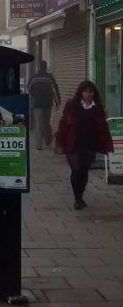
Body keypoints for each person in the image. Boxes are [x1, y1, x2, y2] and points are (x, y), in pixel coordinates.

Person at [54, 80, 114, 210]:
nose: (88, 94)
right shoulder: (72, 105)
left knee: (84, 171)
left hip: (89, 144)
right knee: (76, 170)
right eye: (86, 91)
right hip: (73, 143)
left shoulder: (96, 107)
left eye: (91, 91)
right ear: (81, 93)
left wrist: (107, 144)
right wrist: (59, 142)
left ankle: (80, 196)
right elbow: (63, 123)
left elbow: (103, 128)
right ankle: (77, 199)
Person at [27, 60, 62, 150]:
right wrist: (58, 102)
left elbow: (28, 89)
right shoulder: (49, 78)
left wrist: (33, 97)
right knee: (46, 123)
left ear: (38, 67)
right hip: (48, 104)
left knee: (39, 124)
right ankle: (48, 141)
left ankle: (39, 145)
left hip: (37, 104)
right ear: (46, 67)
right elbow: (55, 90)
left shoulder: (34, 78)